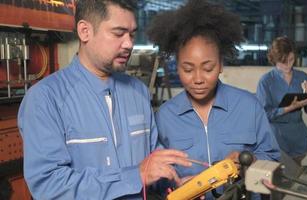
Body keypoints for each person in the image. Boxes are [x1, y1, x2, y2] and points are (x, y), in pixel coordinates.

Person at [17, 0, 192, 199]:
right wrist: (136, 176)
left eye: (132, 34)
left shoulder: (138, 92)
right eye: (118, 33)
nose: (129, 44)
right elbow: (50, 185)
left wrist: (175, 185)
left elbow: (154, 163)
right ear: (85, 31)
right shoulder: (45, 99)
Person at [147, 0, 280, 198]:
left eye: (208, 68)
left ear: (221, 65)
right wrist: (175, 184)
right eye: (188, 69)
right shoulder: (165, 117)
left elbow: (272, 158)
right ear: (177, 67)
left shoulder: (249, 107)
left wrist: (249, 160)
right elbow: (156, 178)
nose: (198, 79)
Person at [256, 36, 307, 163]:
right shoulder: (266, 81)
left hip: (300, 139)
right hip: (277, 139)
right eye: (284, 62)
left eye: (291, 59)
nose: (288, 65)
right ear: (275, 60)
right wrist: (289, 108)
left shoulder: (302, 77)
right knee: (279, 179)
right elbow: (263, 115)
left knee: (302, 177)